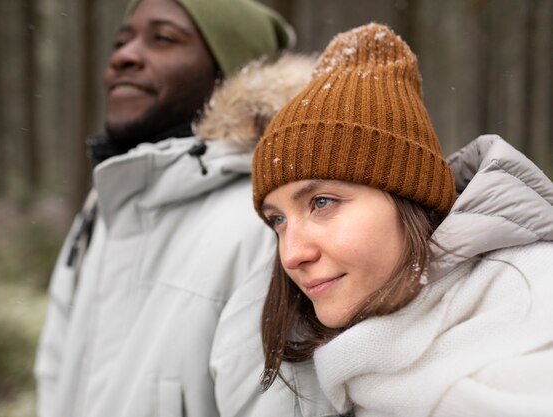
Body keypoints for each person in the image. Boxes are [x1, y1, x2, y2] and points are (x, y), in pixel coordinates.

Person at [34, 0, 339, 416]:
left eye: (162, 38)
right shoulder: (101, 209)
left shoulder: (266, 222)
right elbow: (54, 371)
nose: (123, 56)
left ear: (234, 77)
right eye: (121, 41)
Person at [252, 22, 553, 417]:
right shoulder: (323, 359)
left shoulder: (533, 309)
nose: (291, 255)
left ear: (409, 198)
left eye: (322, 202)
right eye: (278, 220)